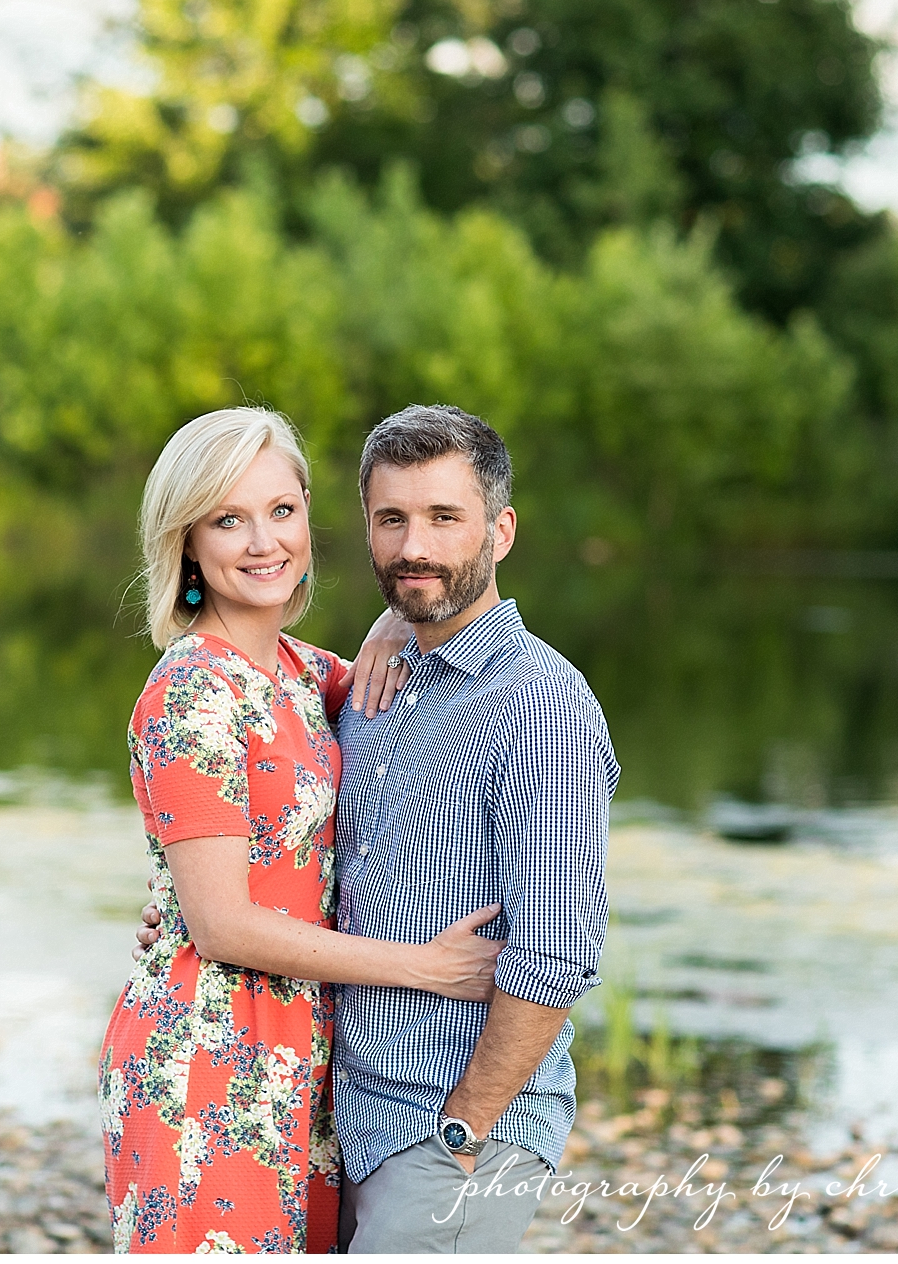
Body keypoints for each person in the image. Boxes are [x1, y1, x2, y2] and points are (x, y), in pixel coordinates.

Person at [140, 404, 619, 1253]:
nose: (415, 547)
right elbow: (228, 890)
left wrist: (466, 1131)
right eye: (392, 520)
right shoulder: (336, 688)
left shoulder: (526, 704)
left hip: (445, 1126)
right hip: (307, 1102)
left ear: (501, 531)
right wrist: (182, 915)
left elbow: (557, 951)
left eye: (444, 518)